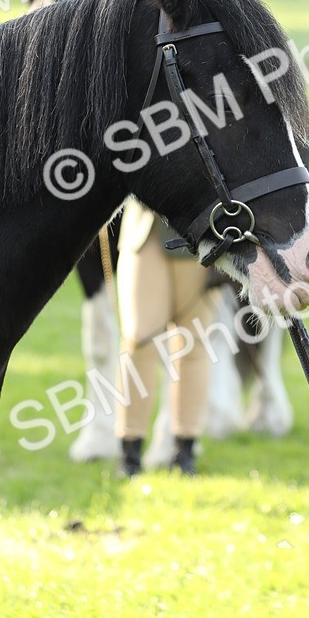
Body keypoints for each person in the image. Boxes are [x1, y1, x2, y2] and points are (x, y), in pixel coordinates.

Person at [114, 199, 226, 477]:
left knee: (194, 343)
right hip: (146, 229)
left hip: (204, 231)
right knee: (138, 339)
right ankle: (130, 453)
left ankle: (184, 452)